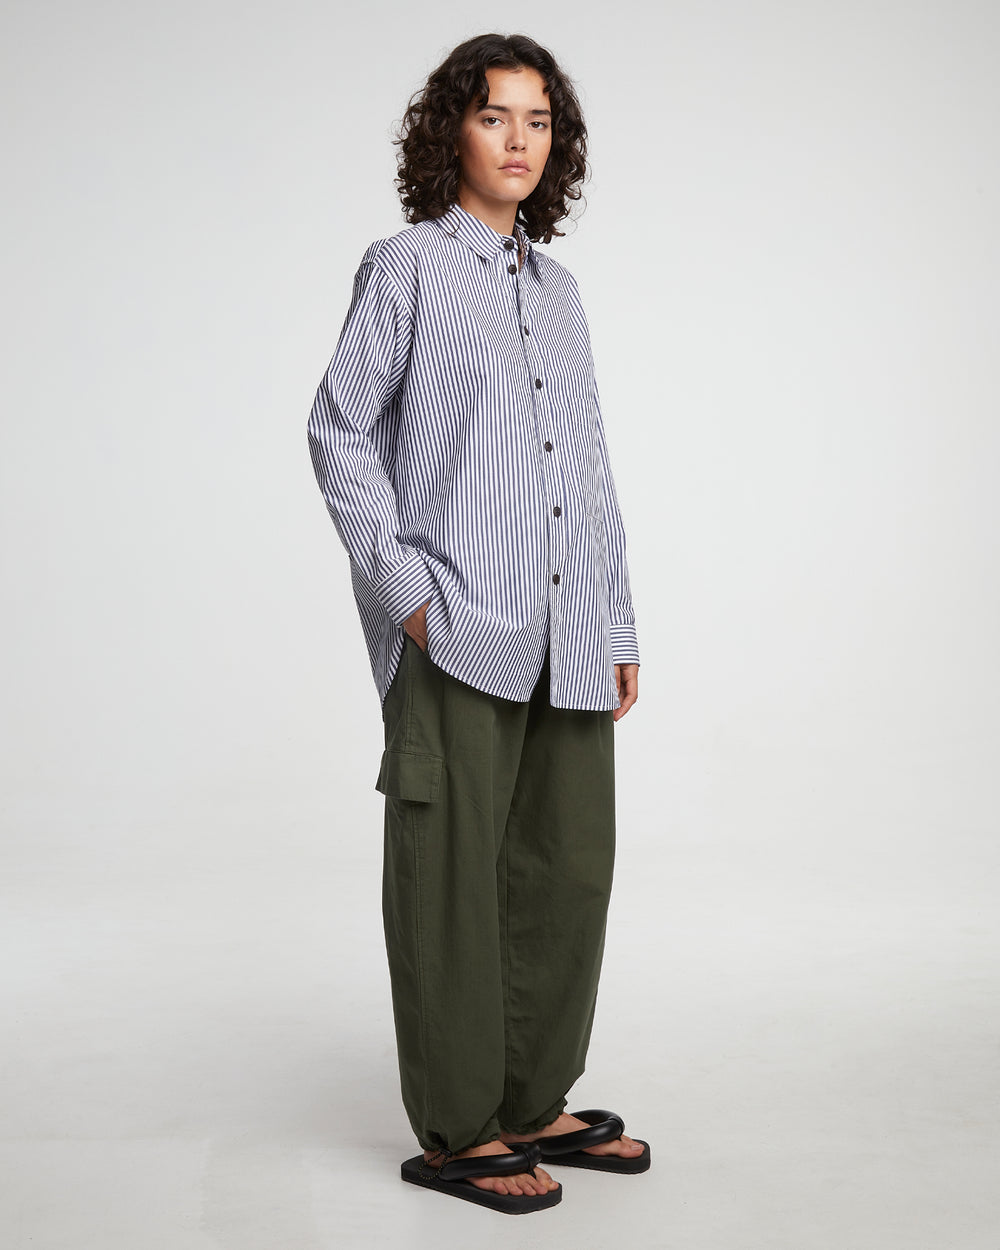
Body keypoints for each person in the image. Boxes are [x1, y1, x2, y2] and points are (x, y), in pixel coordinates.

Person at [307, 32, 647, 1215]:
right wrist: (405, 588)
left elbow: (587, 468)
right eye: (494, 114)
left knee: (567, 868)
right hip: (454, 624)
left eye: (537, 120)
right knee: (448, 877)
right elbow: (338, 428)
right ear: (451, 130)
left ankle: (530, 1095)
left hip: (567, 630)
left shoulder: (561, 295)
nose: (517, 138)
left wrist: (616, 623)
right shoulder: (404, 267)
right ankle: (459, 1127)